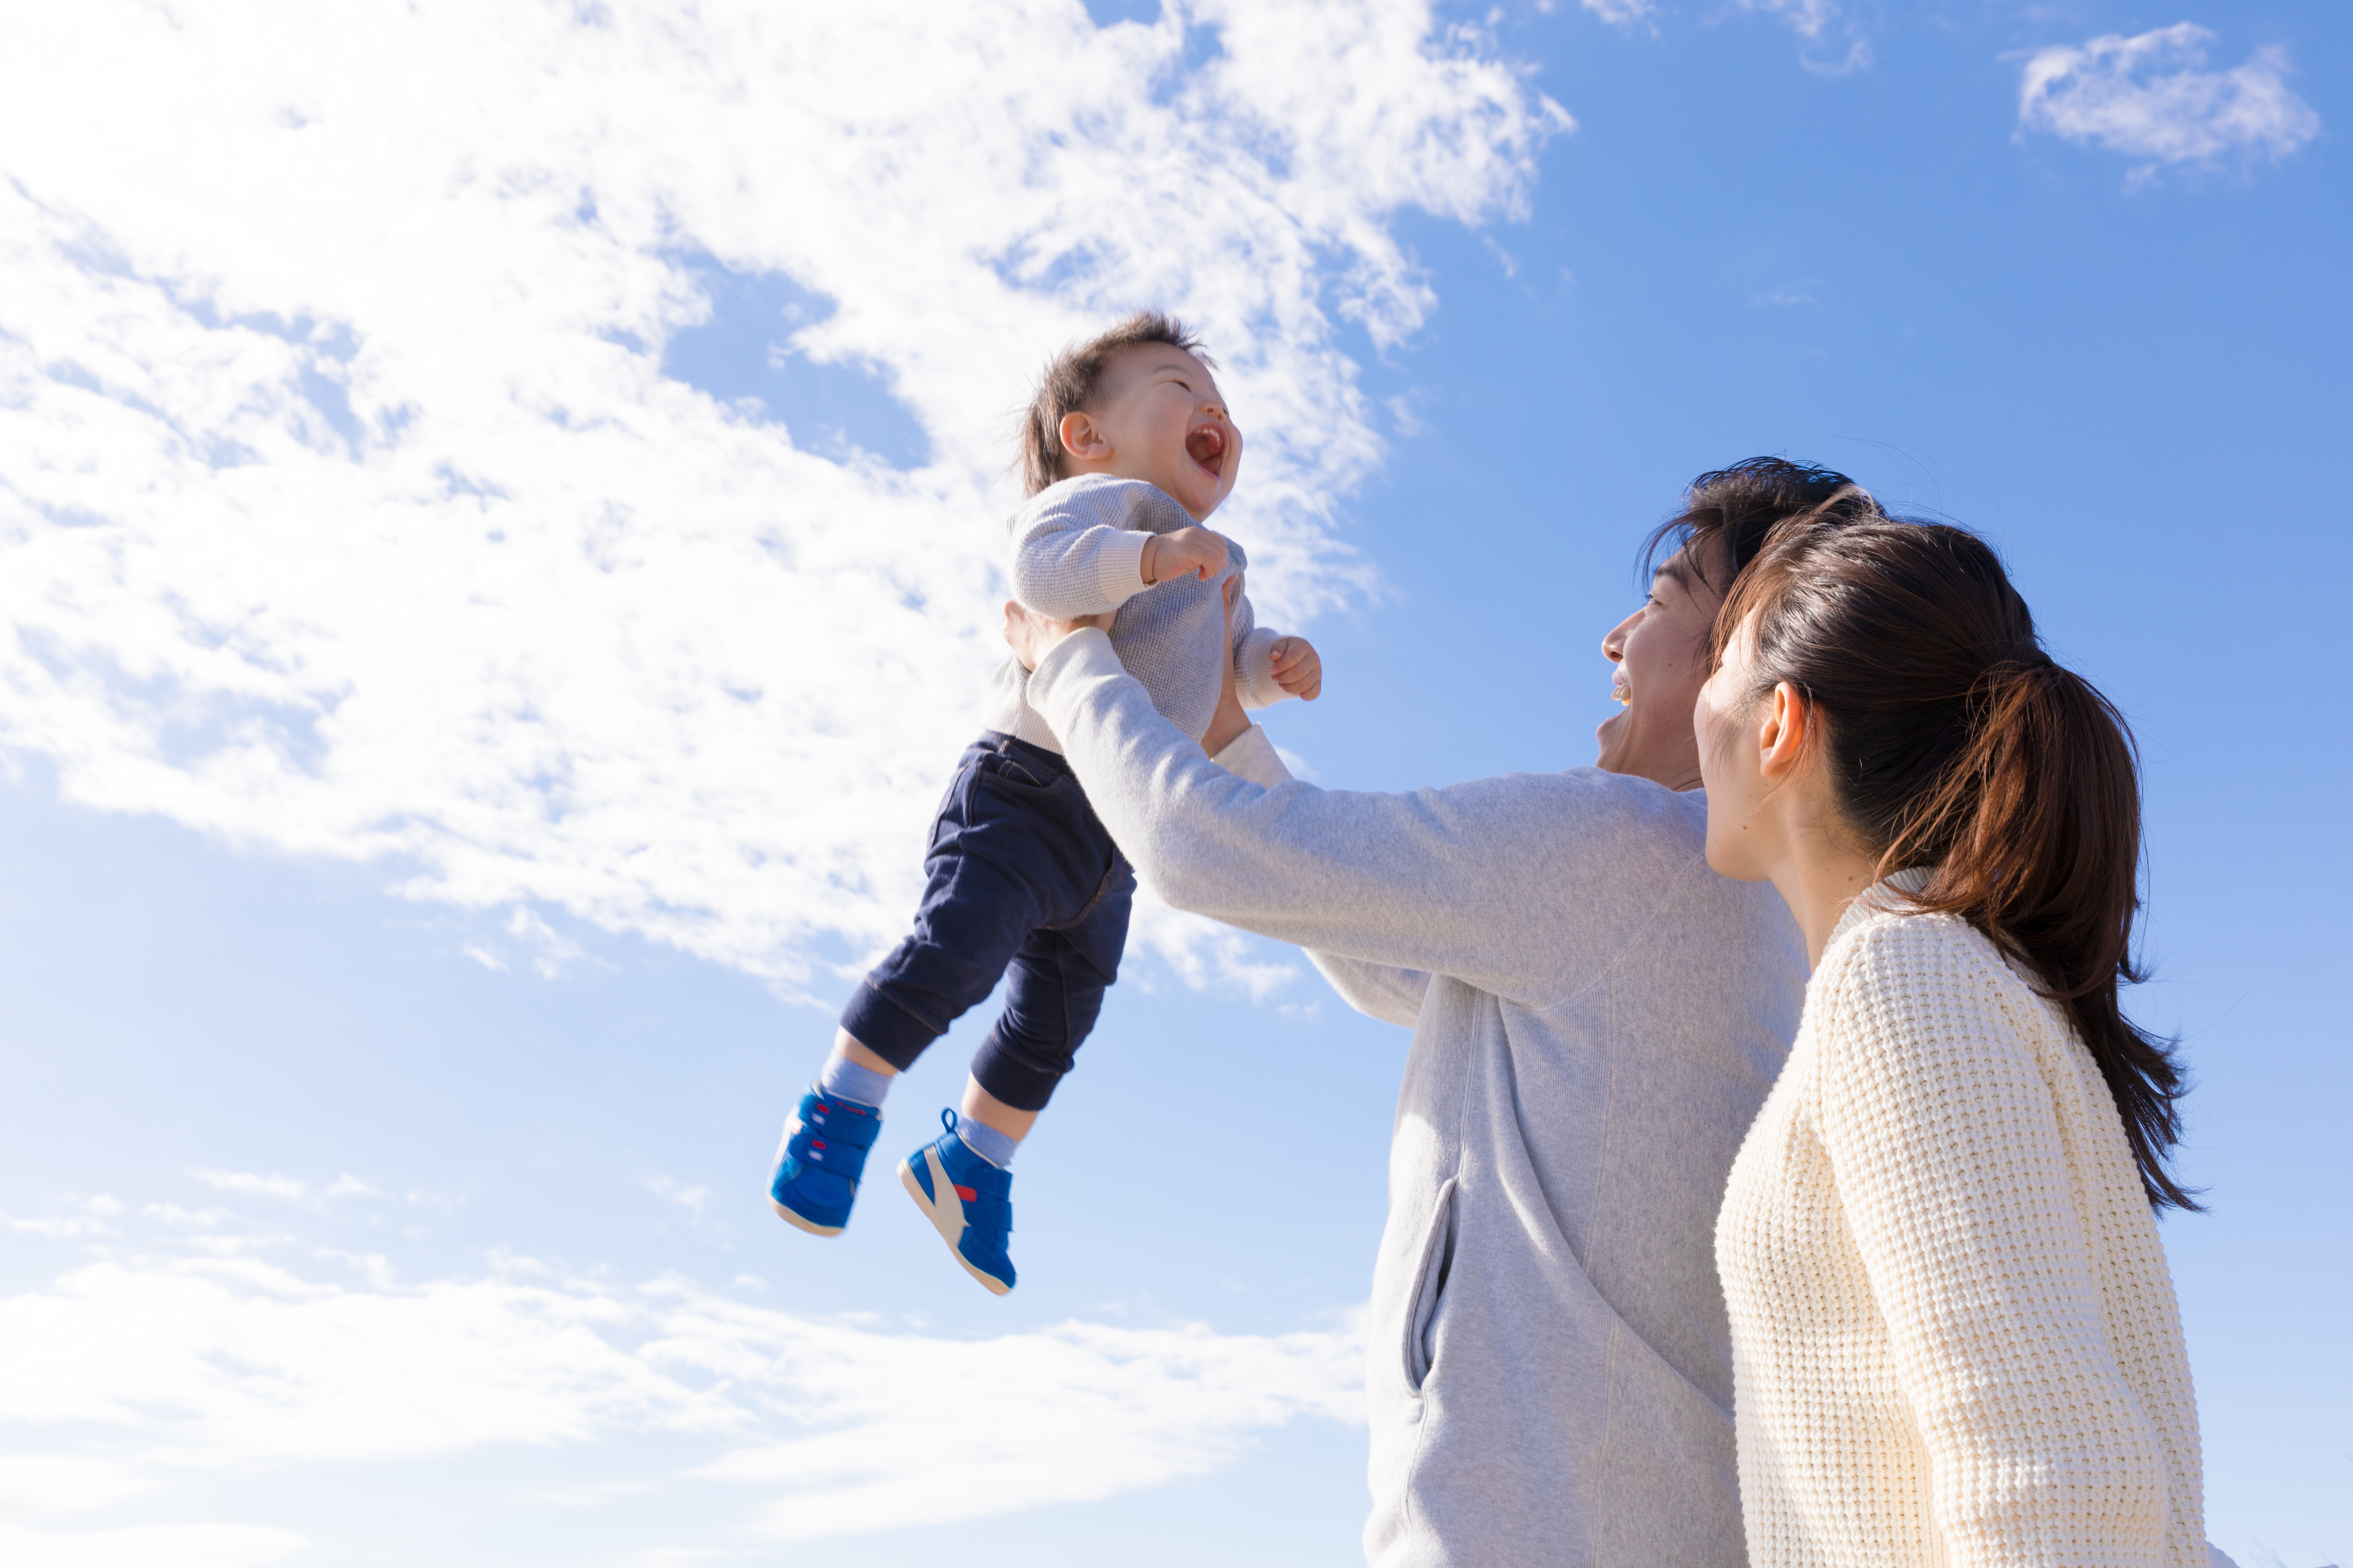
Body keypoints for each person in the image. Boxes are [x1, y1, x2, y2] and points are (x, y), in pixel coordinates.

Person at [1001, 459, 1880, 1566]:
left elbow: (1199, 848)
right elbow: (1389, 967)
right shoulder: (1750, 916)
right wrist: (1228, 734)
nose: (1614, 639)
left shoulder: (1625, 845)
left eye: (1659, 603)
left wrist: (1068, 660)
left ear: (1743, 660)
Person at [766, 311, 1322, 1295]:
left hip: (1117, 824)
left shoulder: (1218, 561)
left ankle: (972, 1165)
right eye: (1182, 391)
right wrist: (1150, 557)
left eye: (1223, 406)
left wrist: (1268, 666)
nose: (1216, 414)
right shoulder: (1099, 505)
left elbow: (1216, 673)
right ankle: (840, 1104)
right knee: (960, 948)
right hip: (1027, 786)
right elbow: (1041, 572)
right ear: (1087, 436)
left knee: (1058, 1019)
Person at [1695, 516, 2205, 1565]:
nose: (1701, 706)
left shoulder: (1903, 977)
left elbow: (2053, 1482)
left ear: (1780, 724)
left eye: (1720, 664)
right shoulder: (1945, 968)